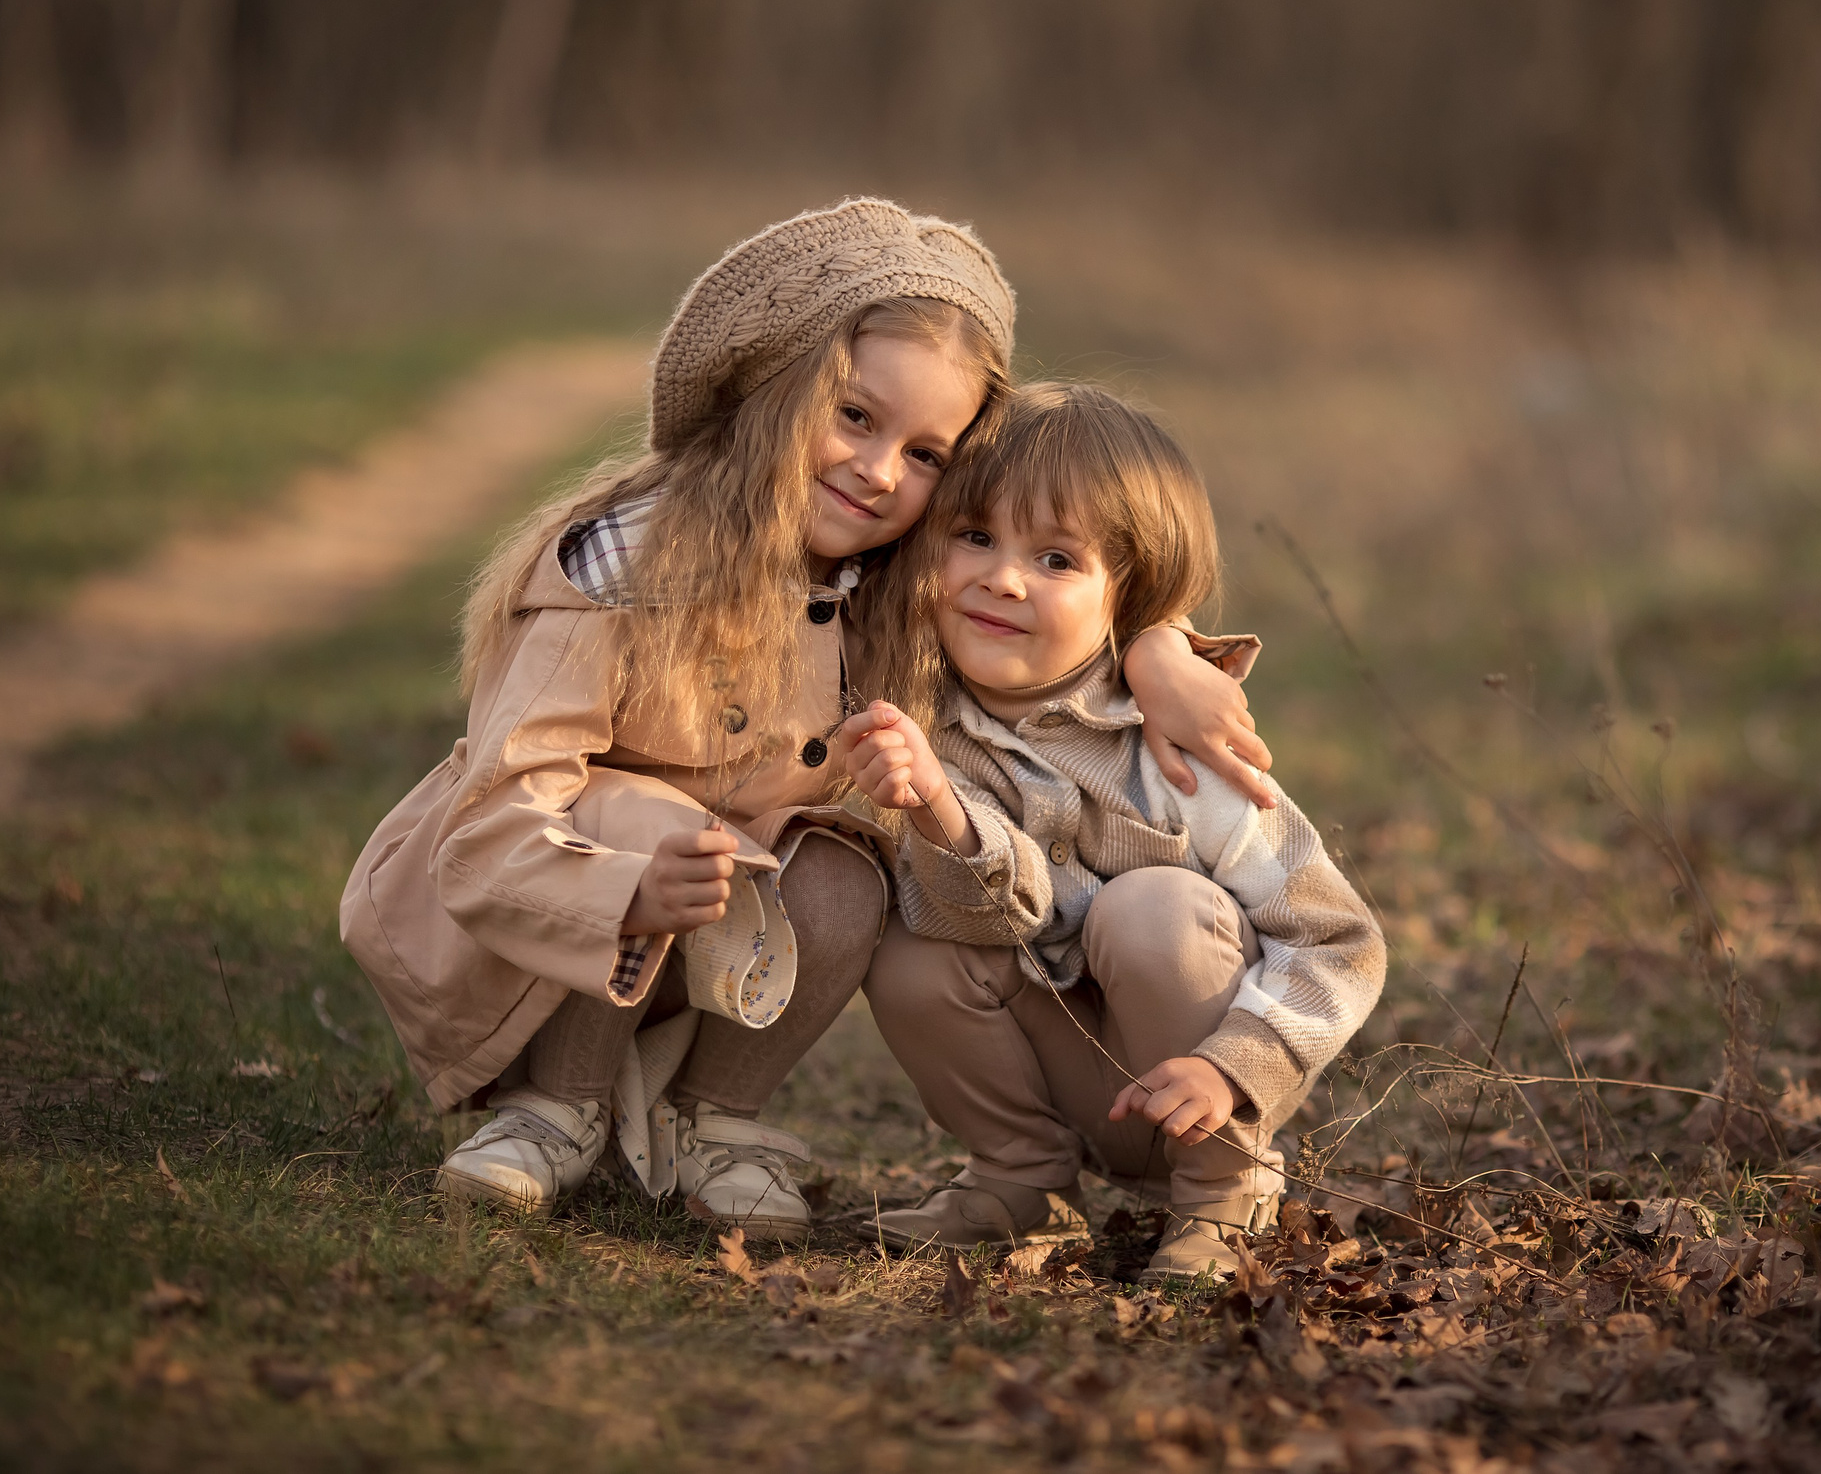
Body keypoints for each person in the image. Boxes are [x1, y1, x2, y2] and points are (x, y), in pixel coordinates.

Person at [338, 201, 1272, 1242]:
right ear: (774, 387)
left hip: (723, 940)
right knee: (656, 822)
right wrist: (623, 889)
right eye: (856, 418)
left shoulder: (888, 566)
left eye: (926, 454)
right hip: (533, 937)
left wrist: (1159, 646)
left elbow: (1060, 566)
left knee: (842, 877)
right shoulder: (628, 564)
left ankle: (715, 1118)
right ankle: (554, 1109)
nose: (880, 472)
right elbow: (494, 818)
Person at [835, 381, 1385, 1282]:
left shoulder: (1180, 751)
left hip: (1199, 1083)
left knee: (1153, 908)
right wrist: (935, 806)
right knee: (908, 944)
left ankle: (1223, 1195)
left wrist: (1233, 1068)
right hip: (1058, 1076)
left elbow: (1340, 940)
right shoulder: (921, 719)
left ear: (1128, 595)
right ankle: (1019, 1181)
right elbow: (981, 918)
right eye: (974, 536)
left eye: (1057, 559)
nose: (1002, 578)